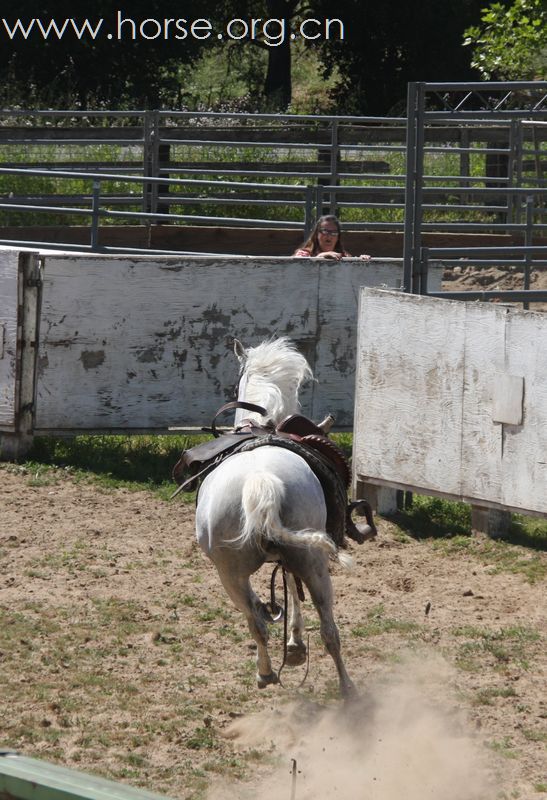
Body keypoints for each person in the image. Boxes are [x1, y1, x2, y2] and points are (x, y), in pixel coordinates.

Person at [293, 215, 371, 261]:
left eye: (334, 233)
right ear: (317, 234)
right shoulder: (303, 254)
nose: (329, 236)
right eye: (325, 231)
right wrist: (320, 257)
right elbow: (297, 269)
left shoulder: (343, 256)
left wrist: (361, 261)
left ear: (338, 237)